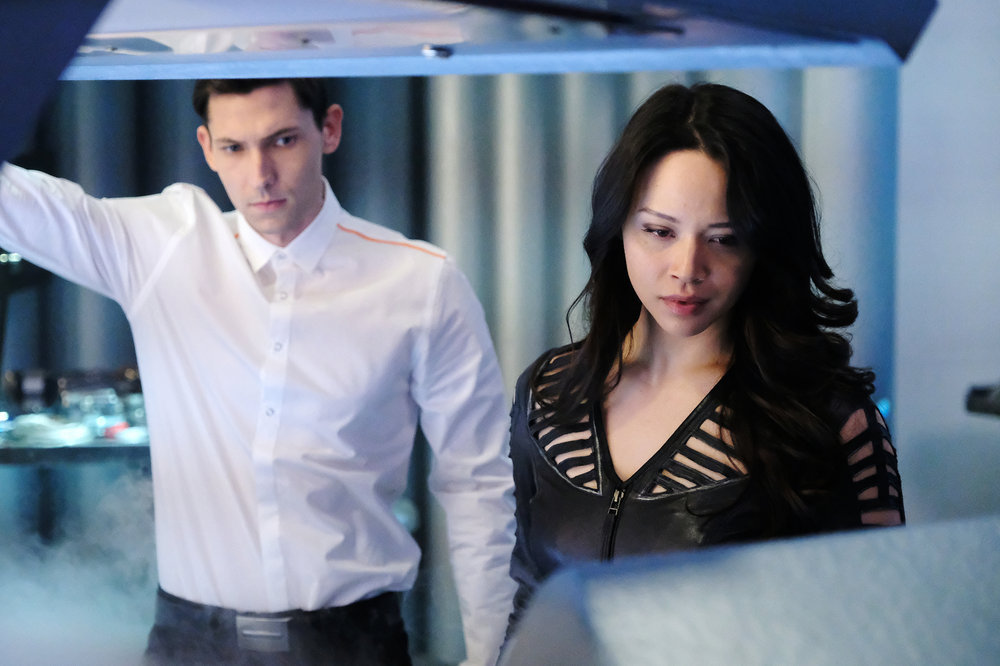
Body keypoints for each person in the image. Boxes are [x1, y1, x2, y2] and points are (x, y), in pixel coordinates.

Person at [0, 78, 516, 665]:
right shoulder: (163, 247)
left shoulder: (420, 282)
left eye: (283, 140)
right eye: (234, 147)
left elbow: (477, 483)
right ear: (206, 147)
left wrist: (490, 656)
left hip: (352, 646)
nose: (260, 175)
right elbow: (16, 204)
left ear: (330, 129)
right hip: (189, 647)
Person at [504, 82, 905, 635]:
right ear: (618, 227)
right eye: (659, 231)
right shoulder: (550, 392)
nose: (686, 269)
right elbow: (530, 605)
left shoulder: (830, 420)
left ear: (764, 246)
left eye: (723, 239)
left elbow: (880, 629)